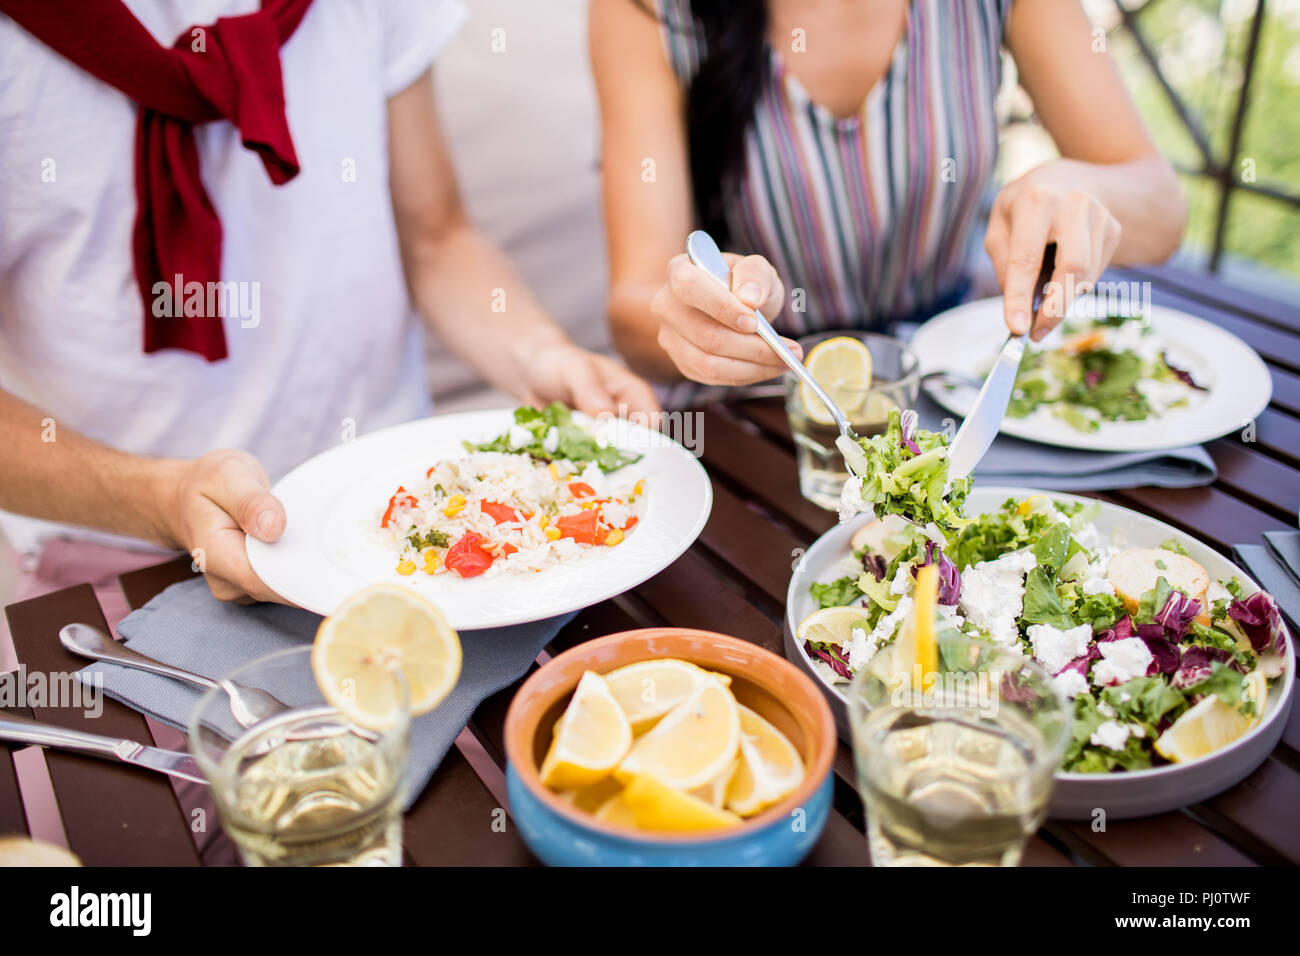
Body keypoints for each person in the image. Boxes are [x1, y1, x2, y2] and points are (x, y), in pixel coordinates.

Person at [0, 0, 659, 636]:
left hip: (397, 527)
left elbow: (436, 237)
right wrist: (161, 499)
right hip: (119, 567)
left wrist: (538, 353)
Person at [590, 0, 1187, 399]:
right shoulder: (643, 10)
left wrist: (1076, 189)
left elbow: (1163, 209)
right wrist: (701, 318)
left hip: (953, 389)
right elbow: (635, 307)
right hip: (767, 411)